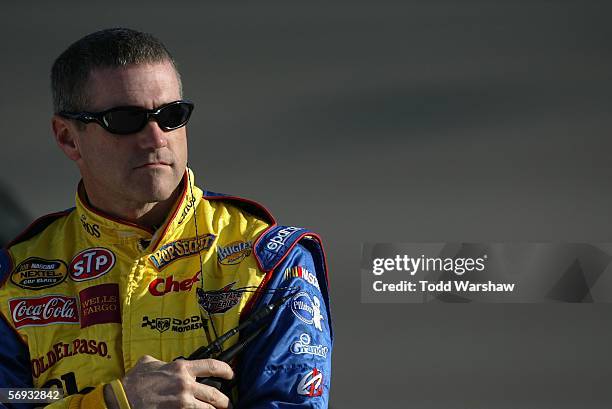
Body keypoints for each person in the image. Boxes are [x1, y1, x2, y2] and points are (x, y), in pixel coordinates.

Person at [0, 28, 332, 409]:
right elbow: (14, 398)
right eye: (125, 119)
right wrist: (110, 402)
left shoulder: (267, 261)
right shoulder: (14, 279)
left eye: (171, 116)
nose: (156, 138)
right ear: (68, 138)